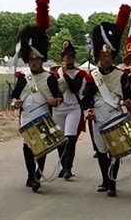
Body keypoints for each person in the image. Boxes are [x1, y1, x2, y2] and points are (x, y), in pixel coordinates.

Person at [10, 0, 63, 193]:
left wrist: (55, 100)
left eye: (37, 59)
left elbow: (59, 98)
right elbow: (14, 95)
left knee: (41, 147)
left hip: (43, 116)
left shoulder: (50, 78)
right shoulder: (23, 78)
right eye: (31, 59)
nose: (34, 62)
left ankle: (38, 173)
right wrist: (15, 102)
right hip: (27, 116)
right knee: (27, 146)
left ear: (42, 59)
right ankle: (31, 175)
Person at [81, 4, 131, 197]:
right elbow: (86, 98)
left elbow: (128, 99)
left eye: (109, 55)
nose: (106, 58)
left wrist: (128, 104)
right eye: (103, 55)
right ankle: (105, 179)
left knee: (115, 150)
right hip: (99, 116)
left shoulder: (122, 75)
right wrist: (87, 111)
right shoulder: (92, 76)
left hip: (115, 114)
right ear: (98, 57)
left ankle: (113, 183)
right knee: (102, 151)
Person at [53, 40, 87, 180]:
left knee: (70, 137)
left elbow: (74, 88)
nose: (69, 58)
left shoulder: (79, 73)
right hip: (59, 109)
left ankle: (68, 167)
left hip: (73, 107)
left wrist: (65, 73)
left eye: (71, 56)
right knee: (60, 139)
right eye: (67, 56)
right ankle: (63, 165)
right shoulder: (55, 72)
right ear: (63, 58)